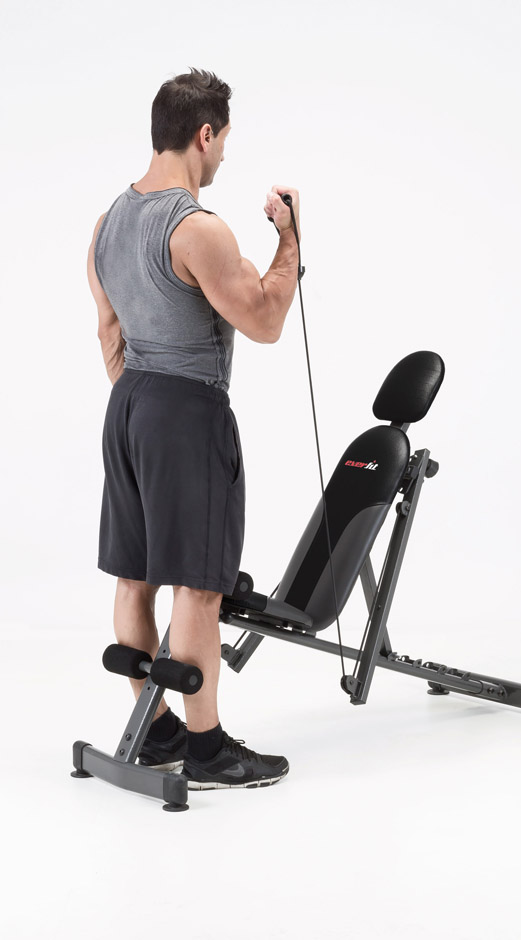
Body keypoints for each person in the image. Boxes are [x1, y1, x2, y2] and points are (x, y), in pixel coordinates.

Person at [86, 67, 300, 790]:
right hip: (184, 409)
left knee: (135, 574)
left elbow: (108, 332)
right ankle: (207, 749)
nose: (223, 157)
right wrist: (289, 242)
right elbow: (265, 321)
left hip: (128, 405)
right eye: (223, 143)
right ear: (204, 135)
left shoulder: (108, 223)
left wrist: (141, 409)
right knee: (199, 584)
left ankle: (154, 732)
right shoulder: (197, 227)